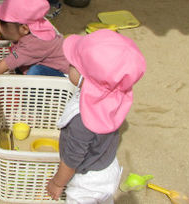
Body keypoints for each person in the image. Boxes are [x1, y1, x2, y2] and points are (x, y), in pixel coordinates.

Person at [46, 30, 146, 203]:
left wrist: (57, 182)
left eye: (72, 65)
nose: (68, 65)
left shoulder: (82, 120)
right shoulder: (115, 93)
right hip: (108, 168)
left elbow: (71, 160)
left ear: (85, 78)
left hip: (87, 182)